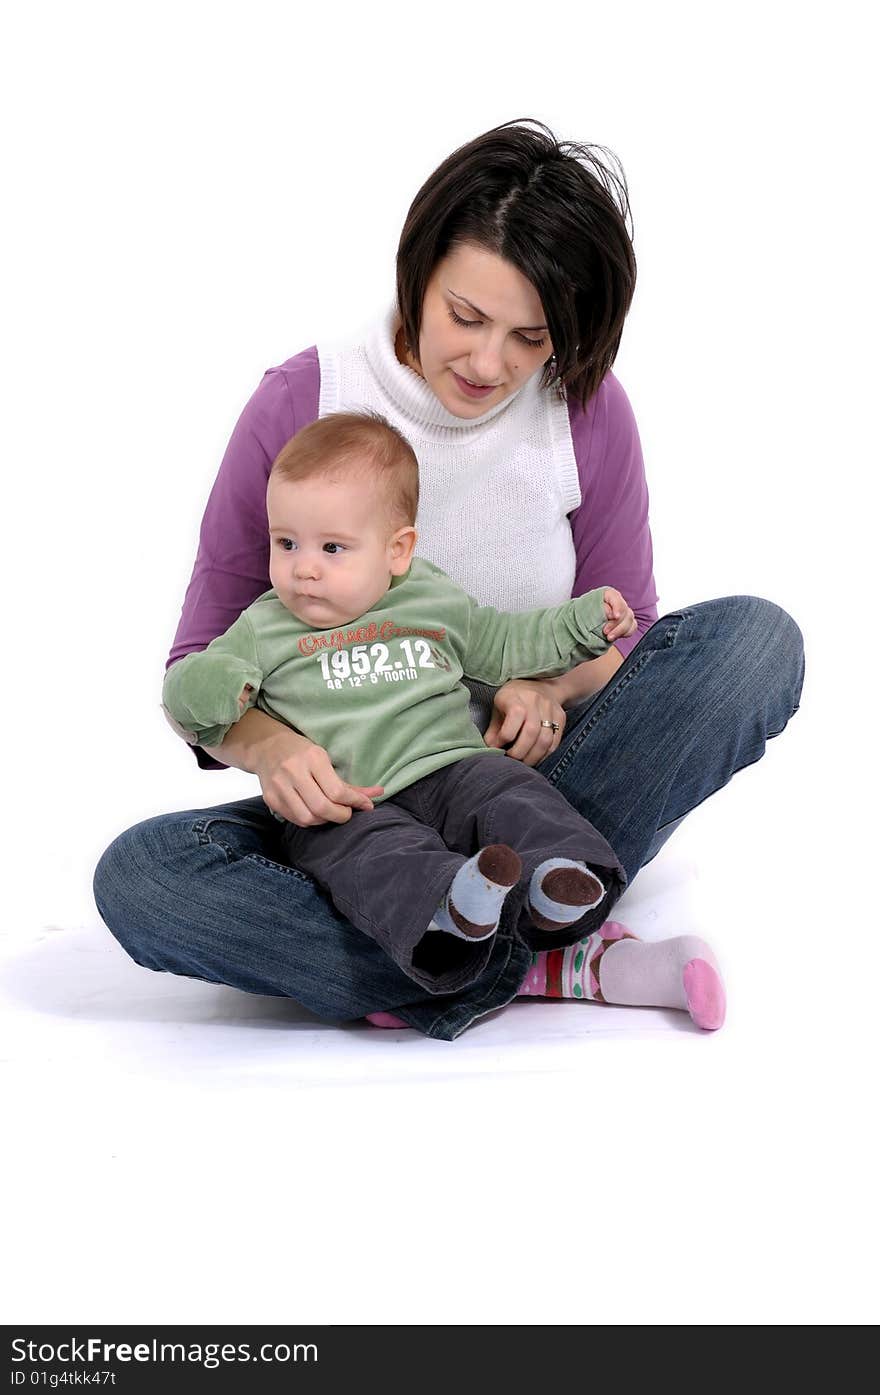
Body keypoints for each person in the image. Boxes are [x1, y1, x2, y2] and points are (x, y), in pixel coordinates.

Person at [93, 119, 804, 1040]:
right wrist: (276, 754)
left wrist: (548, 688)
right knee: (143, 876)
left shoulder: (583, 412)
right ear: (418, 271)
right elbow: (200, 664)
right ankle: (550, 952)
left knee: (754, 642)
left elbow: (627, 638)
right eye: (465, 317)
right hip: (350, 809)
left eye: (531, 337)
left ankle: (455, 945)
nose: (487, 363)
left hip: (525, 784)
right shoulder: (302, 402)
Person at [162, 410, 724, 1026]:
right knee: (373, 861)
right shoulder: (263, 626)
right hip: (349, 805)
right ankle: (456, 911)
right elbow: (188, 692)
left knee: (514, 795)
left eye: (332, 548)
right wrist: (219, 685)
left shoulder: (428, 598)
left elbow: (502, 643)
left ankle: (556, 877)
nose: (304, 568)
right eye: (285, 543)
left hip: (456, 765)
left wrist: (581, 626)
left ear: (397, 550)